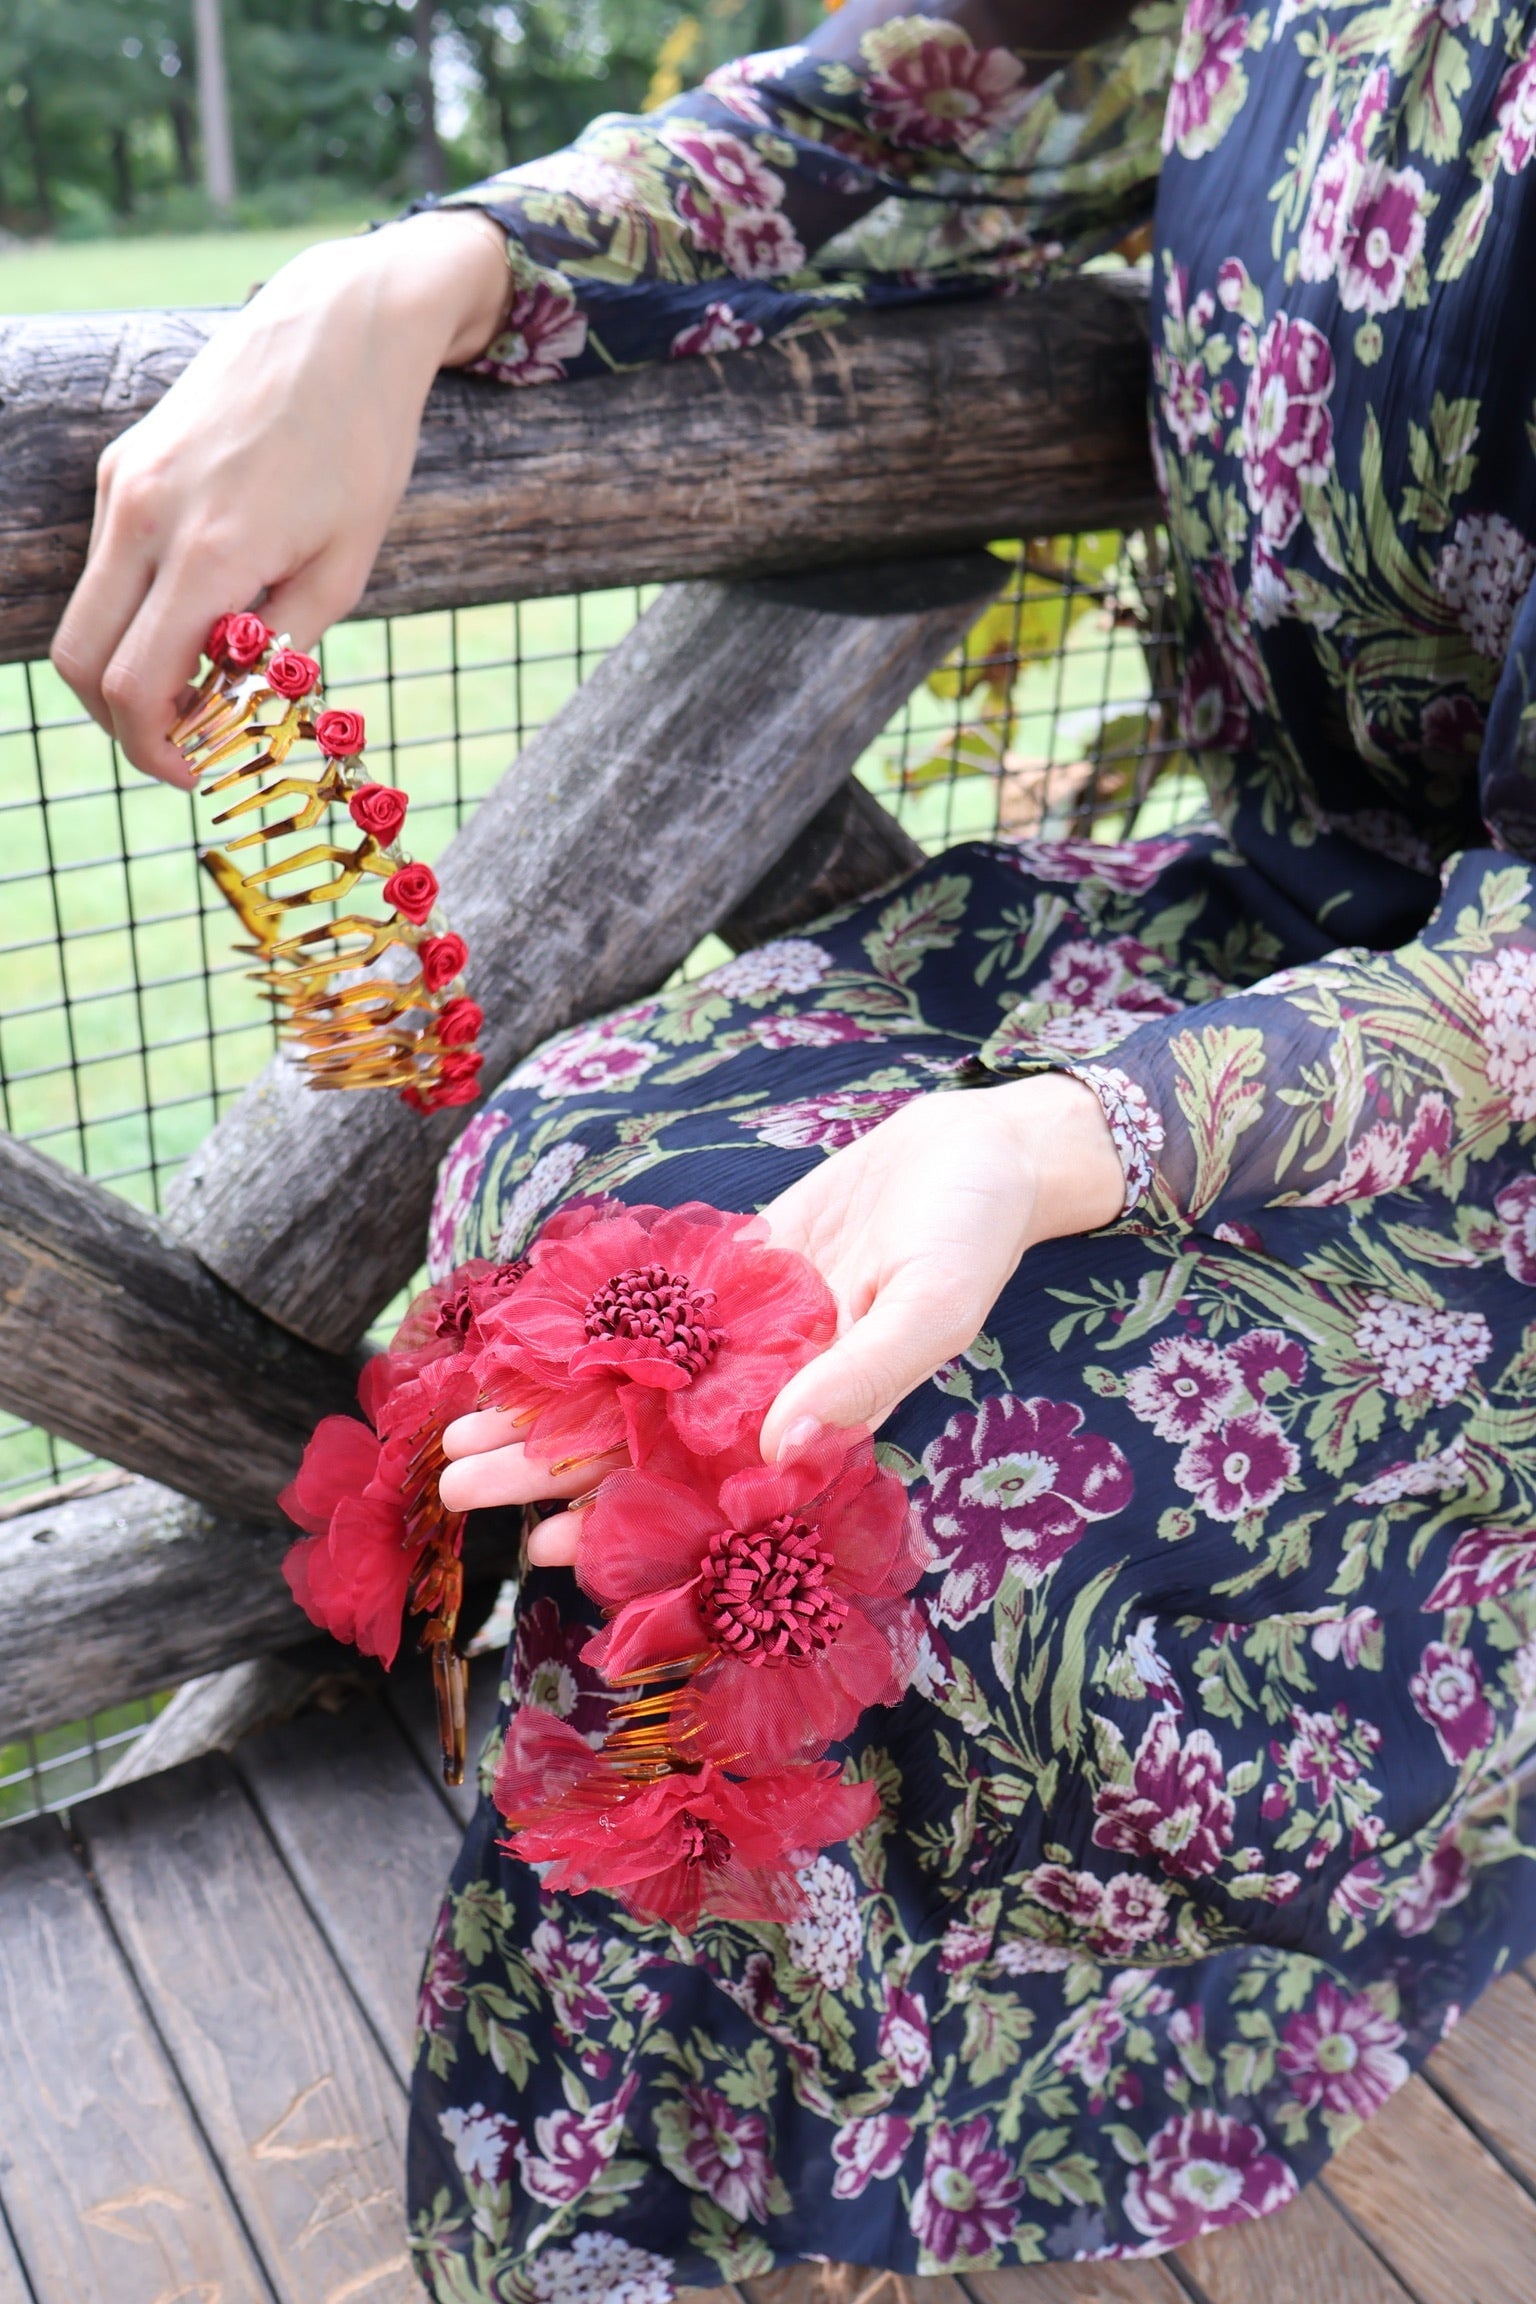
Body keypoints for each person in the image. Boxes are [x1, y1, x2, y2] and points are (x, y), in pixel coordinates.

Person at [52, 0, 1536, 2289]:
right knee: (585, 1185)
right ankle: (690, 2137)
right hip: (1253, 921)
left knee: (867, 1466)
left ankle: (774, 2159)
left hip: (1471, 1077)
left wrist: (1063, 1146)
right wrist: (414, 281)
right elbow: (891, 113)